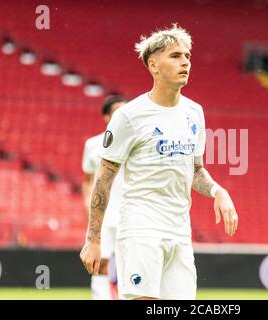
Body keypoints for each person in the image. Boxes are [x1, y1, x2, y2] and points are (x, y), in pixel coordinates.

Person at [80, 24, 238, 300]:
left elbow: (196, 169)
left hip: (179, 229)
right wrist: (93, 239)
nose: (185, 61)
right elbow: (102, 180)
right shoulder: (129, 116)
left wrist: (217, 190)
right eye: (175, 56)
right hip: (141, 227)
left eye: (187, 55)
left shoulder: (194, 112)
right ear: (153, 65)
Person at [81, 95, 127, 300]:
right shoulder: (93, 145)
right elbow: (88, 181)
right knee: (100, 263)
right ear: (106, 116)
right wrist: (87, 208)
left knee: (134, 266)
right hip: (105, 216)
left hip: (132, 215)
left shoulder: (136, 143)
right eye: (117, 111)